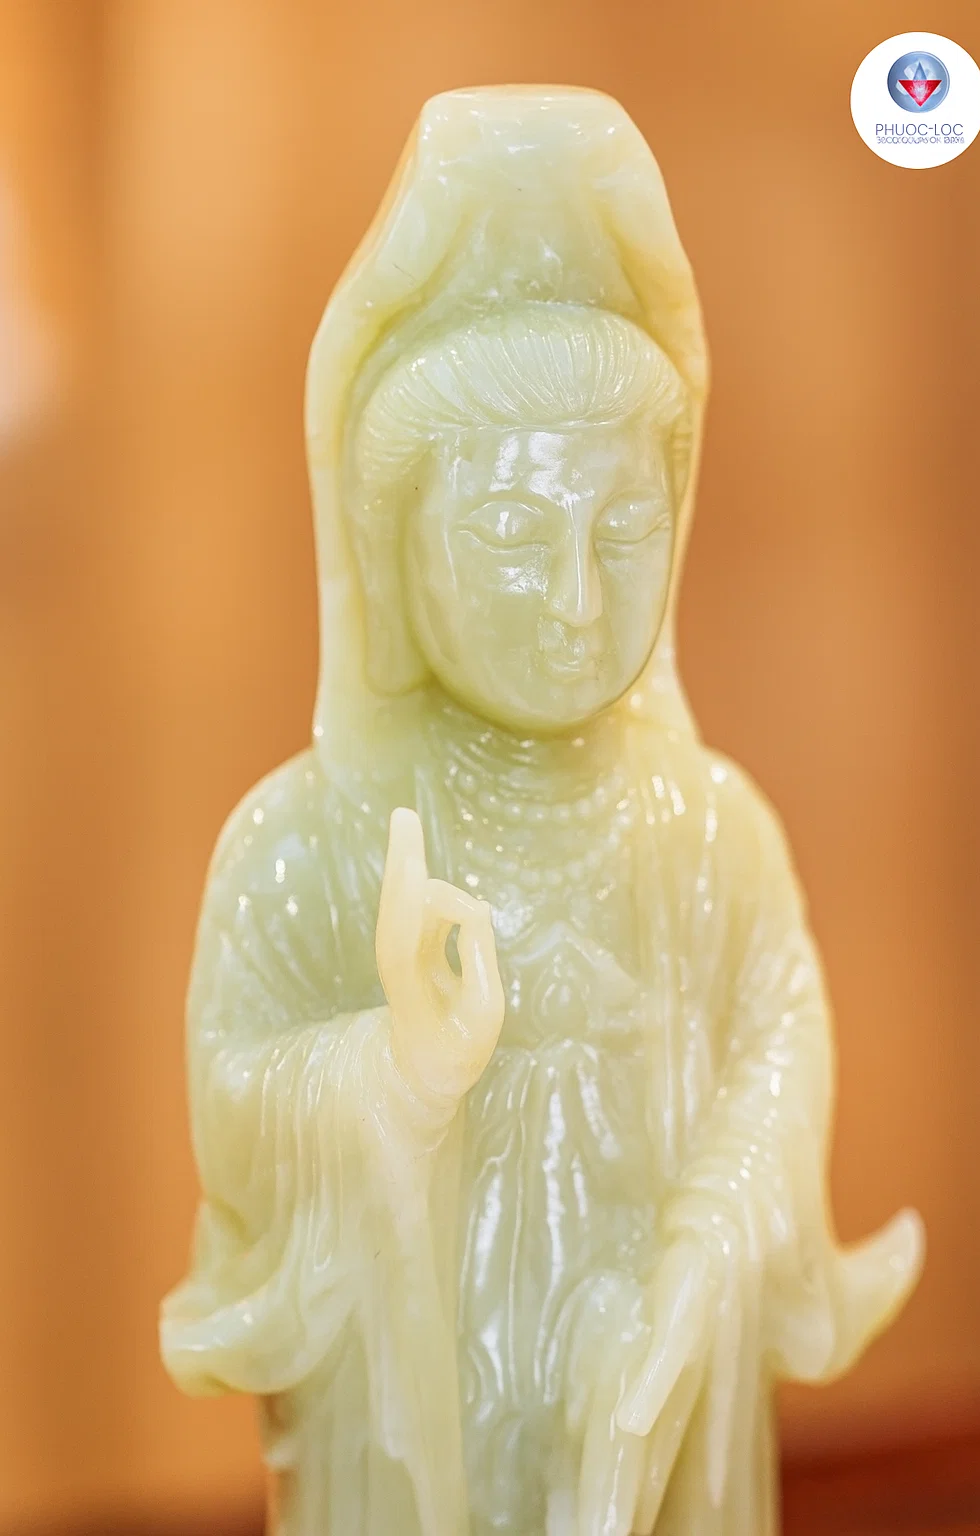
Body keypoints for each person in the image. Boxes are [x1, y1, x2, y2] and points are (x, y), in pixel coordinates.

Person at [162, 88, 922, 1536]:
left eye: (622, 530)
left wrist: (690, 1276)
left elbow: (779, 1054)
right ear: (397, 546)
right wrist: (394, 1075)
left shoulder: (711, 835)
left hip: (648, 1408)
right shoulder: (306, 847)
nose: (578, 600)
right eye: (513, 534)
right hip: (425, 1456)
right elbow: (238, 1113)